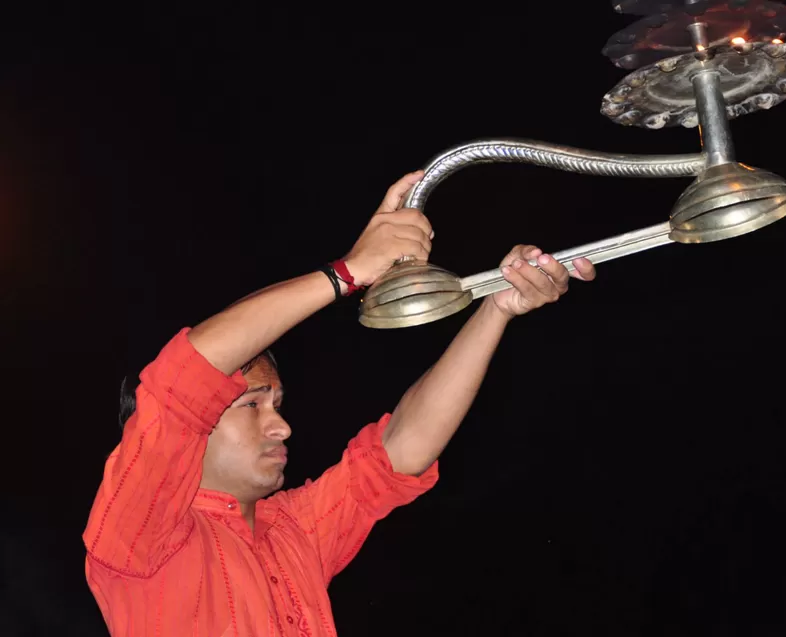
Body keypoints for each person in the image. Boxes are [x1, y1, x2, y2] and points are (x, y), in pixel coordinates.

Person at [82, 171, 596, 636]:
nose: (281, 426)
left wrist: (498, 308)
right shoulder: (140, 534)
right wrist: (348, 273)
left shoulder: (292, 530)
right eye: (251, 405)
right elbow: (184, 379)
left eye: (276, 403)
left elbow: (398, 453)